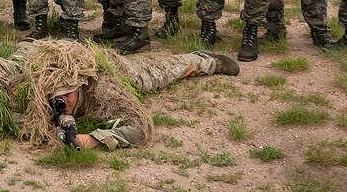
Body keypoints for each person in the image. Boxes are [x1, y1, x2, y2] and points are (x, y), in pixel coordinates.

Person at [15, 40, 238, 150]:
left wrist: (92, 139)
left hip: (110, 69)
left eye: (65, 98)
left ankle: (207, 60)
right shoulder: (40, 86)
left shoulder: (105, 90)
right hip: (51, 55)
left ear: (79, 86)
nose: (62, 105)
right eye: (56, 100)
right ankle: (26, 44)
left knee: (158, 74)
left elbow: (140, 129)